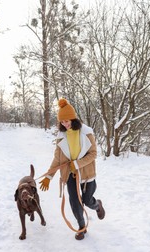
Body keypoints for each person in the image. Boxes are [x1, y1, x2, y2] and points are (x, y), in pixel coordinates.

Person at [39, 98, 105, 240]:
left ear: (73, 118)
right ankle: (81, 227)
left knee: (87, 201)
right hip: (70, 175)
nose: (65, 124)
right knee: (75, 203)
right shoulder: (61, 137)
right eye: (62, 122)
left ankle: (97, 205)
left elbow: (93, 154)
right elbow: (57, 159)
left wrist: (78, 164)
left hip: (87, 174)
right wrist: (48, 176)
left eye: (67, 120)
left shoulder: (87, 133)